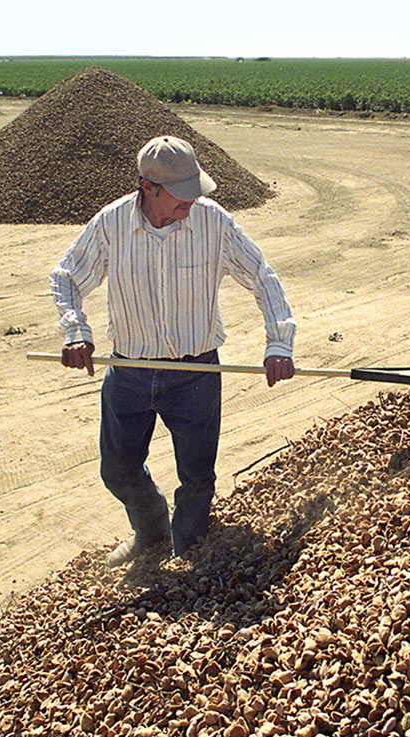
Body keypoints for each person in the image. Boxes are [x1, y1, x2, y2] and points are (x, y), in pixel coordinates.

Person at [50, 135, 296, 567]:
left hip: (195, 373)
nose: (192, 201)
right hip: (130, 368)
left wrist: (278, 342)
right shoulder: (110, 225)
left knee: (198, 477)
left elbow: (262, 277)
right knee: (118, 471)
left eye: (195, 190)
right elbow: (66, 277)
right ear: (148, 188)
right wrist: (75, 331)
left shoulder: (212, 222)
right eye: (182, 195)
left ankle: (188, 550)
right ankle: (151, 530)